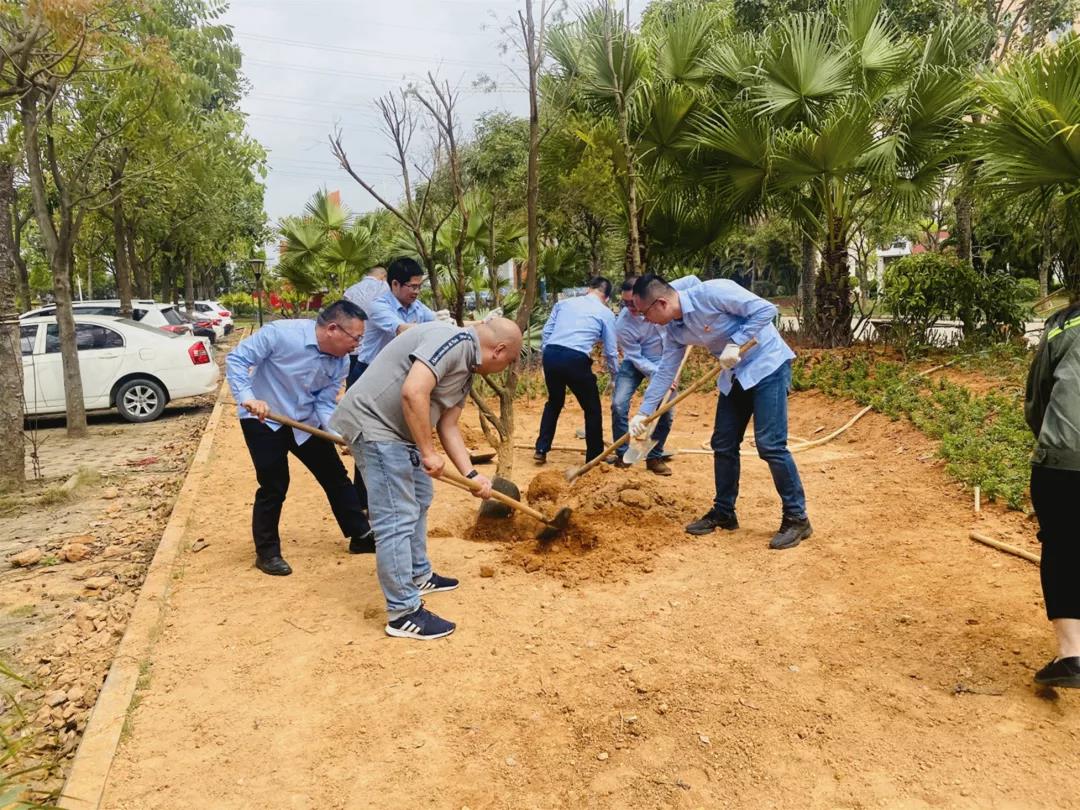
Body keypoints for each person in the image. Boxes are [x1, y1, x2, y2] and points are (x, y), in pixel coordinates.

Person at [331, 318, 523, 640]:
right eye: (511, 360)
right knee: (396, 516)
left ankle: (419, 574)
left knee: (420, 497)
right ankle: (403, 612)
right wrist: (427, 451)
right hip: (376, 427)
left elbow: (448, 425)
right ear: (499, 350)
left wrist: (472, 475)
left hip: (399, 433)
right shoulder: (453, 340)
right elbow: (412, 392)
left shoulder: (467, 371)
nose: (509, 367)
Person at [628, 274, 811, 550]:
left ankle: (797, 518)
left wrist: (736, 341)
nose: (644, 320)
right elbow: (667, 370)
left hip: (767, 365)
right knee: (723, 443)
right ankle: (724, 512)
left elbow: (765, 309)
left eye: (644, 313)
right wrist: (643, 412)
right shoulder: (673, 330)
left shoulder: (713, 293)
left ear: (661, 303)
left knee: (770, 444)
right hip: (734, 375)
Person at [225, 300, 375, 576]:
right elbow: (236, 359)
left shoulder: (340, 362)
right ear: (333, 329)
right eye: (356, 338)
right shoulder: (281, 334)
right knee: (274, 484)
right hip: (263, 418)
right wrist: (248, 398)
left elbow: (324, 403)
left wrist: (340, 435)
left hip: (305, 422)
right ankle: (267, 553)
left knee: (336, 477)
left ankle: (361, 536)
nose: (357, 345)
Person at [1024, 295, 1080, 688]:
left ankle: (1072, 655)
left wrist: (1049, 439)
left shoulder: (1063, 326)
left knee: (1062, 546)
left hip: (1062, 461)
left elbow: (1038, 398)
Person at [612, 274, 700, 476]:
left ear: (643, 297)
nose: (630, 308)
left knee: (666, 412)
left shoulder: (663, 294)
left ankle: (654, 457)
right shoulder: (623, 324)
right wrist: (661, 376)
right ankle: (623, 454)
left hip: (666, 360)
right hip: (636, 363)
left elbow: (694, 281)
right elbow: (635, 356)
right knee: (618, 404)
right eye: (625, 303)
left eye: (633, 303)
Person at [534, 277, 619, 464]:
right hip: (576, 358)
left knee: (554, 402)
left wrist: (546, 359)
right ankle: (594, 457)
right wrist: (614, 377)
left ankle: (541, 448)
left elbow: (547, 333)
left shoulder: (564, 303)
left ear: (589, 289)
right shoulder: (605, 313)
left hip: (552, 353)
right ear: (606, 297)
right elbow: (611, 350)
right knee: (592, 409)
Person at [354, 256, 451, 377]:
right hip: (369, 371)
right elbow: (401, 329)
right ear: (395, 284)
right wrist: (435, 325)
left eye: (419, 287)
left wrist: (479, 323)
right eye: (413, 287)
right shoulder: (378, 306)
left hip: (395, 372)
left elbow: (440, 320)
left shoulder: (416, 306)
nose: (417, 291)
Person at [342, 265, 388, 388]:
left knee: (351, 387)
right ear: (383, 276)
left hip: (353, 347)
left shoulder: (350, 291)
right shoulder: (385, 288)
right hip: (375, 350)